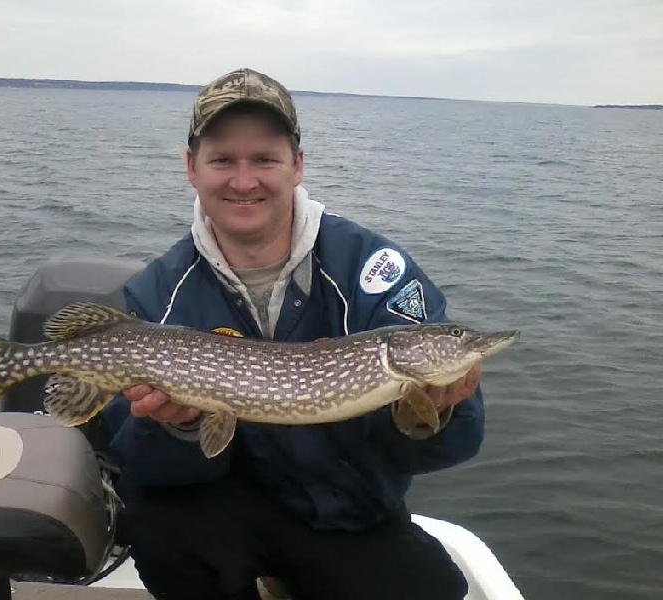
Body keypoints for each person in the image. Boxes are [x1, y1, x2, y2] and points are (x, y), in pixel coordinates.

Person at [100, 68, 484, 600]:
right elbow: (144, 467)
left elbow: (452, 448)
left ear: (297, 165)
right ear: (191, 168)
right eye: (222, 160)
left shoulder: (372, 269)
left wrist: (433, 414)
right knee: (157, 522)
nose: (243, 180)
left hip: (348, 513)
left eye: (264, 159)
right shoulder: (158, 293)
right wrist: (178, 428)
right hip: (222, 507)